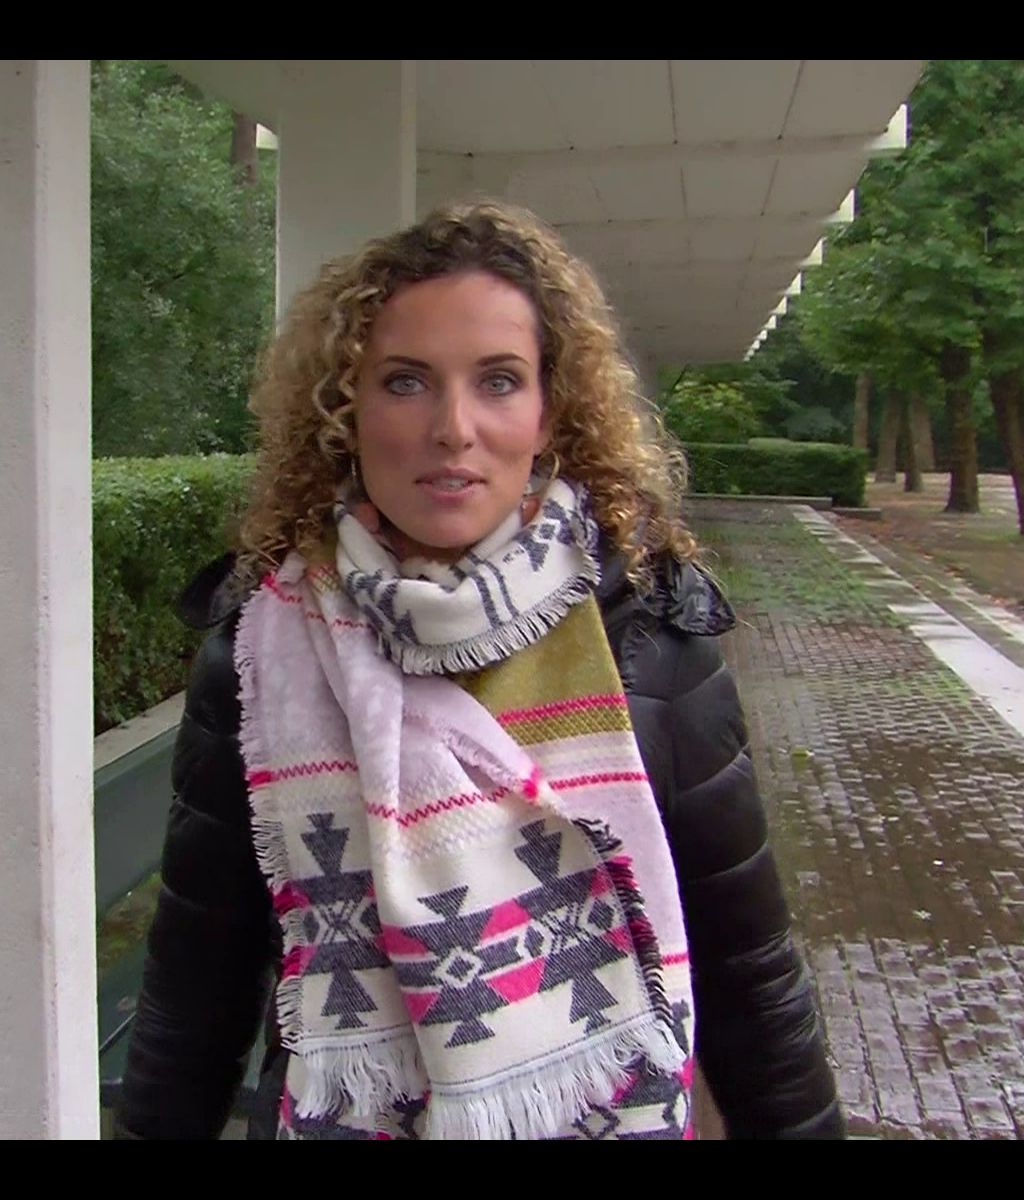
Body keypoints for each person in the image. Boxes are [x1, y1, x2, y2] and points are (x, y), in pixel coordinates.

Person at [112, 200, 840, 1141]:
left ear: (549, 412)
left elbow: (751, 975)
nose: (453, 427)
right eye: (405, 382)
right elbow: (196, 986)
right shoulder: (263, 651)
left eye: (498, 381)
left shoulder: (652, 637)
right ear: (346, 411)